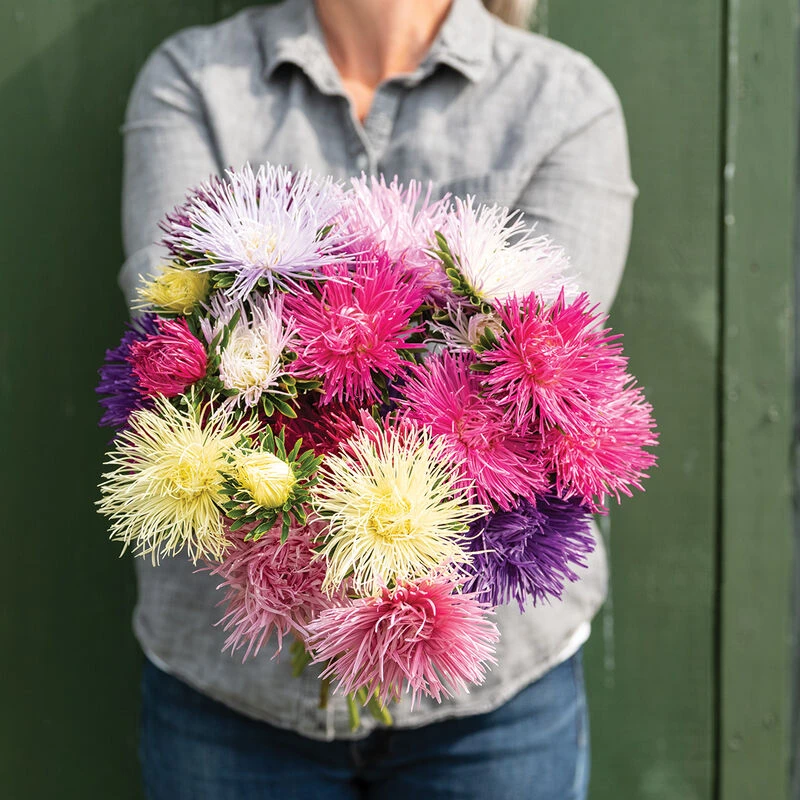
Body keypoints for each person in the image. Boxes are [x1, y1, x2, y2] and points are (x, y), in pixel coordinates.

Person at [119, 1, 638, 797]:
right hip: (231, 685)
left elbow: (542, 379)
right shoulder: (194, 79)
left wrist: (295, 352)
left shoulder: (562, 98)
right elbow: (178, 322)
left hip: (493, 695)